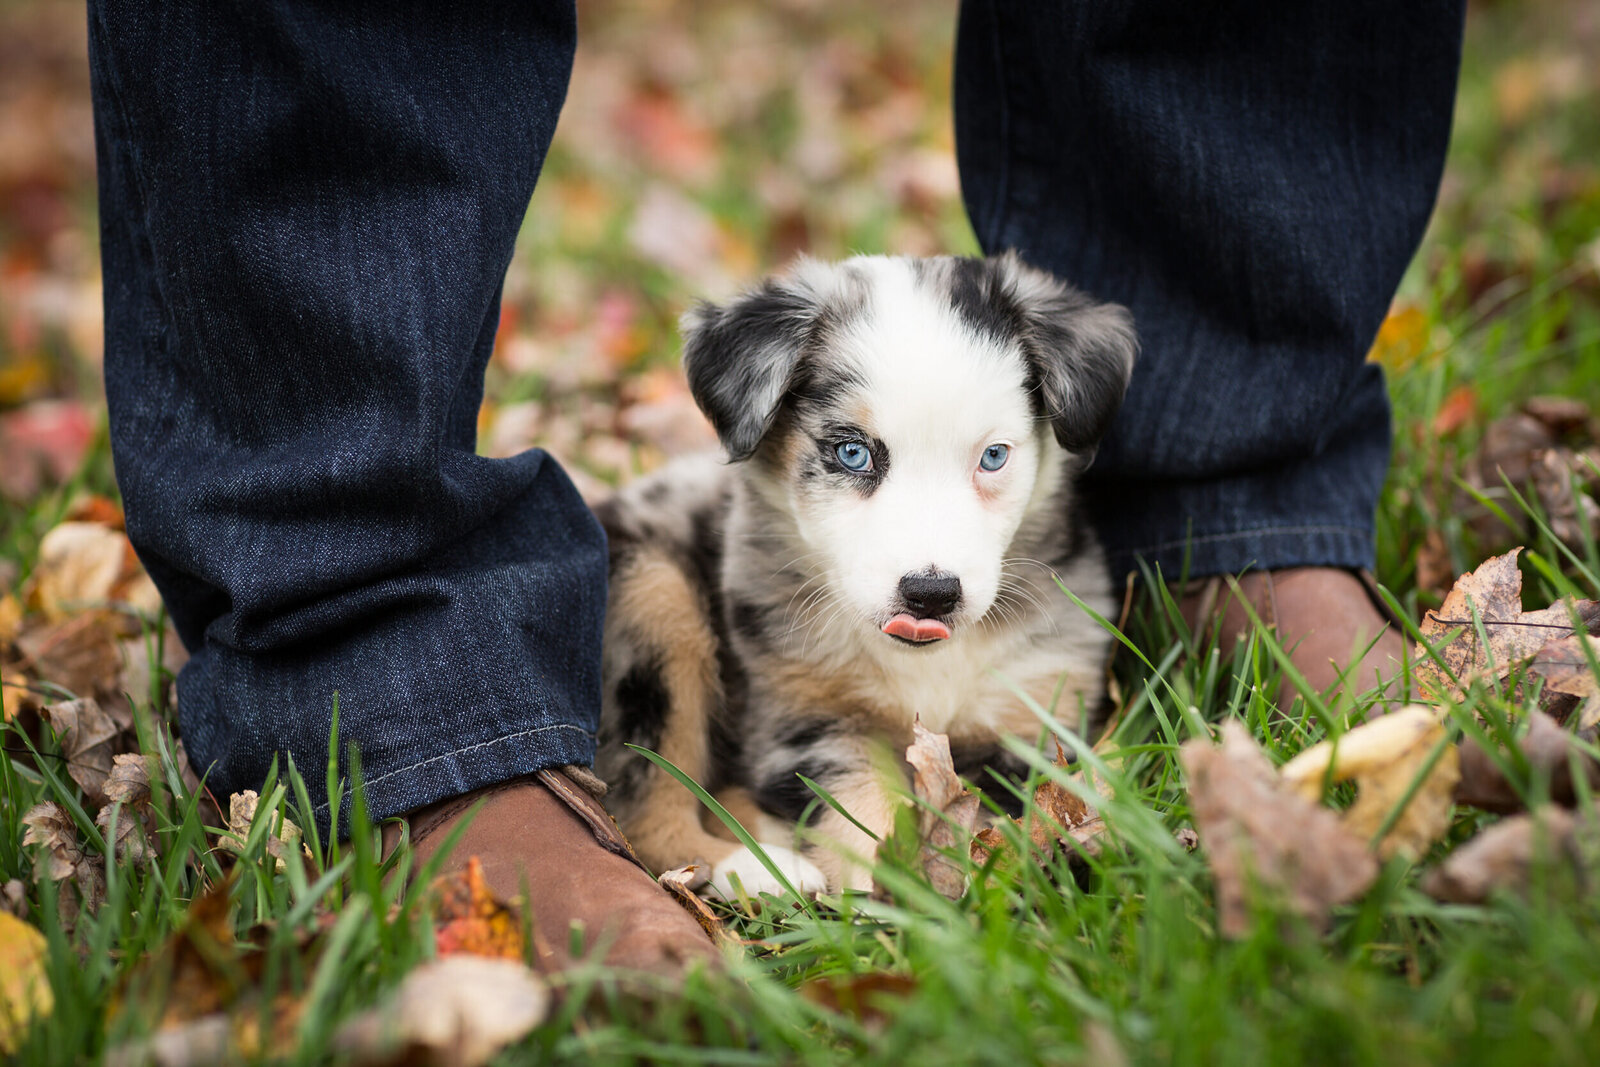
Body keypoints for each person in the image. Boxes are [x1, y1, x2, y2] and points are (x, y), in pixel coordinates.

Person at [88, 0, 1464, 975]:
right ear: (767, 416)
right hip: (711, 634)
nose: (928, 552)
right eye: (850, 458)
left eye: (995, 459)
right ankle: (387, 655)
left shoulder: (1042, 520)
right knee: (661, 613)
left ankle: (1232, 499)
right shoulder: (756, 511)